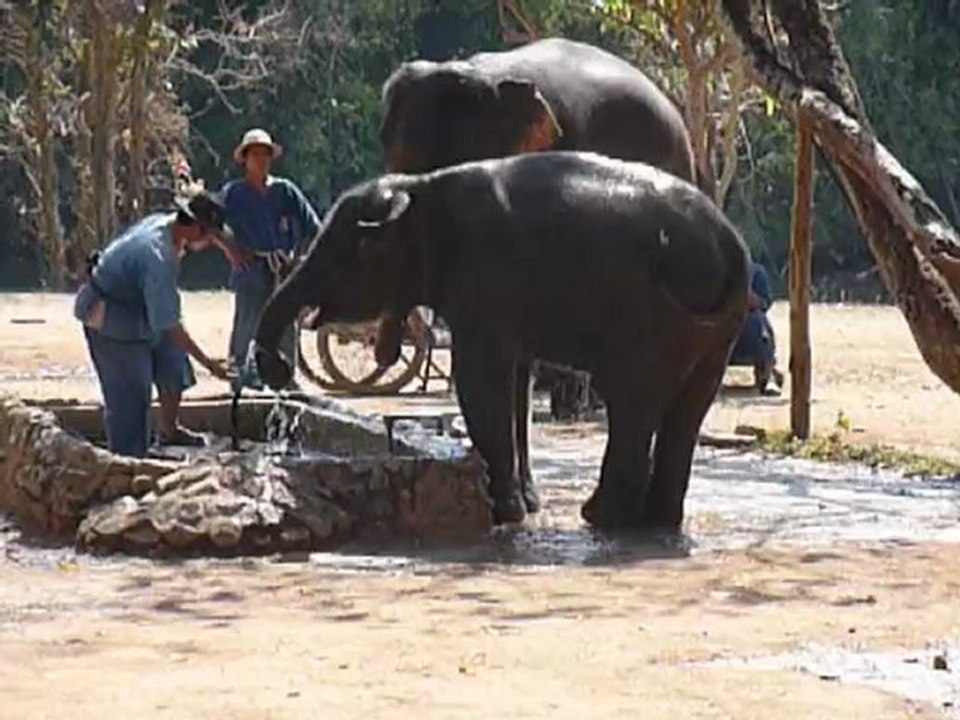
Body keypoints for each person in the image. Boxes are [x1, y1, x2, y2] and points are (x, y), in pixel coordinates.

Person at [74, 191, 236, 457]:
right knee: (131, 396)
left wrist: (224, 244)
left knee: (174, 360)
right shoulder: (158, 258)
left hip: (138, 310)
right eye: (210, 236)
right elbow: (169, 324)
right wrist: (210, 364)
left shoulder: (167, 223)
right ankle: (128, 460)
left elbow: (167, 326)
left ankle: (169, 430)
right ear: (196, 229)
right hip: (109, 316)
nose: (211, 242)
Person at [222, 128, 322, 386]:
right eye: (255, 155)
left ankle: (285, 378)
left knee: (286, 326)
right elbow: (213, 224)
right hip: (250, 269)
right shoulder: (234, 193)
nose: (261, 160)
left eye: (265, 155)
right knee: (247, 324)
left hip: (283, 271)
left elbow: (313, 226)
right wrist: (231, 249)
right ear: (245, 160)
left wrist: (300, 258)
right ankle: (240, 378)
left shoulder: (284, 190)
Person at [730, 261, 783, 396]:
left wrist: (750, 299)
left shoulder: (755, 272)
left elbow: (765, 303)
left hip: (746, 328)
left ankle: (767, 373)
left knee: (757, 320)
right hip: (720, 326)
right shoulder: (718, 271)